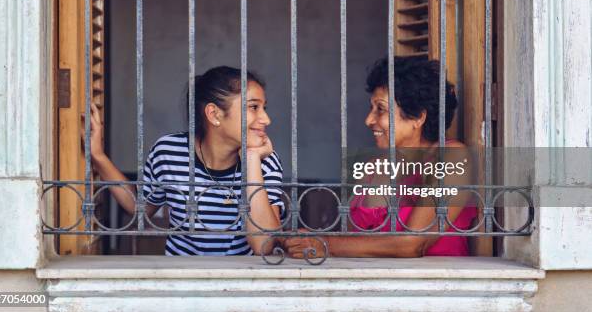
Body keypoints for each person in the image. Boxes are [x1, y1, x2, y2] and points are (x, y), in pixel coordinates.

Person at [284, 56, 477, 258]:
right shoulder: (374, 166)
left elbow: (413, 244)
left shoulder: (452, 157)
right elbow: (347, 240)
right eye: (371, 108)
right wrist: (302, 239)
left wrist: (325, 244)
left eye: (381, 109)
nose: (369, 120)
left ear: (418, 117)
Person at [89, 66, 284, 256]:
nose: (266, 119)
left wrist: (251, 160)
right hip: (182, 276)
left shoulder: (264, 159)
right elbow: (141, 208)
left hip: (242, 280)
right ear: (214, 114)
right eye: (253, 107)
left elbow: (263, 245)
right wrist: (97, 155)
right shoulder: (169, 151)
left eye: (263, 108)